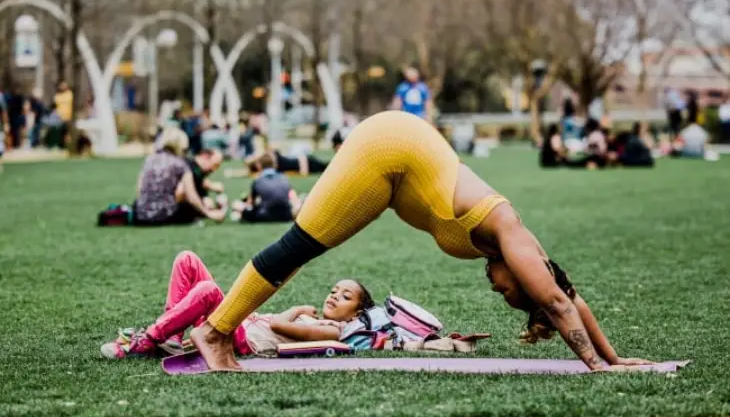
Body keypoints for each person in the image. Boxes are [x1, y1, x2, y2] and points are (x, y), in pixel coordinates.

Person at [189, 110, 651, 372]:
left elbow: (569, 296)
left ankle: (222, 331)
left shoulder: (520, 248)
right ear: (526, 278)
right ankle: (214, 331)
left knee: (301, 250)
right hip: (388, 150)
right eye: (508, 290)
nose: (495, 288)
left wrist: (616, 356)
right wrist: (598, 367)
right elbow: (556, 302)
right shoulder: (513, 237)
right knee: (299, 245)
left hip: (398, 170)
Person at [100, 251, 374, 359]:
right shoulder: (319, 321)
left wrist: (299, 309)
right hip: (237, 324)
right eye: (334, 290)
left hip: (240, 341)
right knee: (187, 260)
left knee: (208, 291)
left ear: (357, 314)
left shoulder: (335, 331)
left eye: (345, 296)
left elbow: (279, 324)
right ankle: (170, 337)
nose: (335, 295)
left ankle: (146, 341)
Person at [133, 128, 226, 226]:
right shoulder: (181, 163)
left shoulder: (149, 159)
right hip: (164, 216)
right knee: (190, 207)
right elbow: (191, 196)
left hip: (140, 216)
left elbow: (140, 189)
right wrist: (209, 214)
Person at [231, 154, 305, 223]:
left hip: (265, 216)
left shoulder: (258, 181)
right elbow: (293, 198)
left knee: (236, 205)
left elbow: (250, 204)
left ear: (259, 166)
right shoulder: (284, 178)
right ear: (275, 164)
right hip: (286, 216)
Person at [245, 149, 329, 176]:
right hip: (304, 165)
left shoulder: (271, 160)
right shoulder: (271, 166)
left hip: (304, 163)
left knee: (326, 168)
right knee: (326, 169)